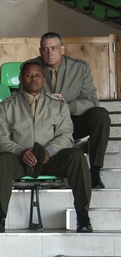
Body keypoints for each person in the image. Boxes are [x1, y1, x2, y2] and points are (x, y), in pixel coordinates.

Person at [0, 61, 92, 233]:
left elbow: (66, 136)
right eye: (28, 75)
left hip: (50, 158)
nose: (33, 79)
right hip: (20, 160)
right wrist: (20, 151)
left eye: (37, 75)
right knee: (2, 160)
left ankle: (83, 217)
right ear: (21, 79)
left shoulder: (58, 105)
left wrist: (49, 150)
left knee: (77, 157)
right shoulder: (6, 106)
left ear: (44, 79)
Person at [32, 32, 111, 188]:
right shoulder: (31, 68)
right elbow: (22, 100)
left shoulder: (80, 68)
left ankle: (95, 172)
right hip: (43, 124)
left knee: (100, 115)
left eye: (53, 48)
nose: (49, 53)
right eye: (45, 49)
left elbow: (91, 101)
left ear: (62, 49)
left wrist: (67, 107)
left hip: (72, 120)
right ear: (40, 51)